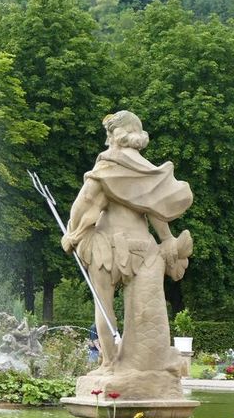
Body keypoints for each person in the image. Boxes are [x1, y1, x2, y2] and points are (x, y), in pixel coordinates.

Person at [62, 111, 192, 376]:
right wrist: (167, 239)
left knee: (104, 305)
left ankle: (109, 365)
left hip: (107, 247)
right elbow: (156, 211)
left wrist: (72, 234)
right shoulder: (147, 172)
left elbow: (85, 205)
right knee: (146, 313)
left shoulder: (106, 169)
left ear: (113, 135)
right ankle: (146, 366)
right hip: (143, 248)